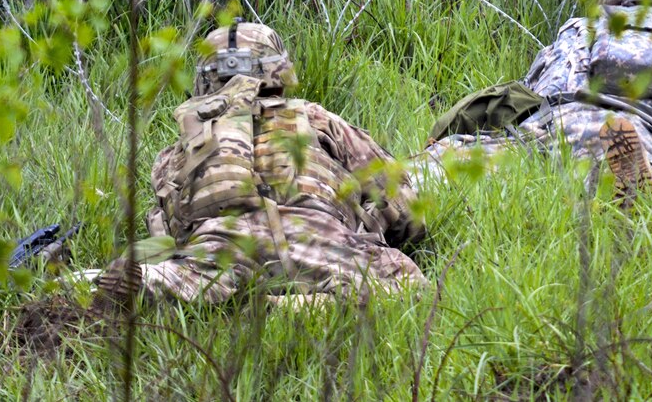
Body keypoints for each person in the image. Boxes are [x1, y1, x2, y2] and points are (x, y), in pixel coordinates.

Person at [96, 21, 426, 306]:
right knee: (406, 284)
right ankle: (295, 306)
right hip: (314, 233)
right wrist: (368, 223)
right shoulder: (315, 118)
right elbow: (405, 210)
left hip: (221, 242)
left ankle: (164, 283)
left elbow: (172, 224)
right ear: (278, 71)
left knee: (195, 272)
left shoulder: (182, 146)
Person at [419, 0, 652, 198]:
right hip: (633, 133)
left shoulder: (580, 27)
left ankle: (405, 180)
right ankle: (650, 183)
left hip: (554, 123)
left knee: (454, 161)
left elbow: (531, 91)